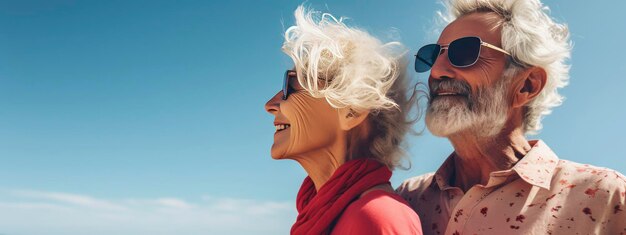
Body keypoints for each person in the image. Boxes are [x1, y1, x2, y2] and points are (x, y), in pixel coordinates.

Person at [397, 0, 626, 234]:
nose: (436, 71)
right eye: (433, 55)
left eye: (465, 52)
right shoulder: (407, 199)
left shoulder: (604, 196)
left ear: (526, 85)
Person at [265, 6, 423, 235]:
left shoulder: (377, 216)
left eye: (291, 84)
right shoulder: (331, 212)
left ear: (352, 111)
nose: (270, 104)